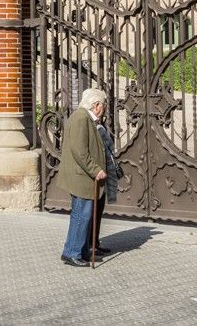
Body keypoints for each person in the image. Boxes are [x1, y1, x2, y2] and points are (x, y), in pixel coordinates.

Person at [59, 88, 108, 266]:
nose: (104, 109)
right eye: (103, 105)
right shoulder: (81, 118)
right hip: (82, 177)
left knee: (83, 215)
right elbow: (80, 151)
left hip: (84, 176)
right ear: (96, 105)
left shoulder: (85, 118)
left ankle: (80, 250)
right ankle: (72, 252)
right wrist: (96, 170)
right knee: (82, 215)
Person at [92, 120, 121, 255]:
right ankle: (90, 244)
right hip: (95, 175)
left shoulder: (100, 127)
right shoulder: (92, 128)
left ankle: (95, 242)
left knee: (98, 211)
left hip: (103, 173)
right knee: (91, 213)